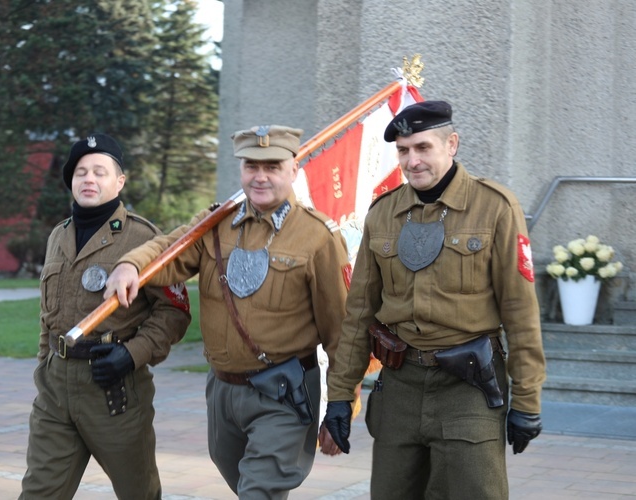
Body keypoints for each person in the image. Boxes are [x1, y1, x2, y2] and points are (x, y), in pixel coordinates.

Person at [104, 125, 350, 498]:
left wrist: (342, 403)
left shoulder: (318, 237)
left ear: (294, 170)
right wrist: (130, 265)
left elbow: (341, 331)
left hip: (284, 391)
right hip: (223, 389)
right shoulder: (216, 223)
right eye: (252, 166)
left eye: (273, 166)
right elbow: (169, 251)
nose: (261, 176)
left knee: (259, 491)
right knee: (243, 483)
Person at [322, 101, 546, 499]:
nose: (413, 160)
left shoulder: (494, 207)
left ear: (451, 144)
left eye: (423, 147)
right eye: (404, 151)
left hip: (469, 386)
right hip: (400, 384)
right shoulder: (383, 213)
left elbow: (520, 312)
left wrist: (527, 399)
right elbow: (359, 314)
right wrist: (341, 395)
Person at [19, 133, 191, 500]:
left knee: (138, 493)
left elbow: (174, 312)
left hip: (115, 390)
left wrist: (133, 355)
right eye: (81, 172)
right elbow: (47, 317)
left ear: (120, 181)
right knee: (39, 492)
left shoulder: (142, 238)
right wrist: (43, 368)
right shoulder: (58, 236)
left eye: (100, 171)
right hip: (55, 391)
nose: (89, 180)